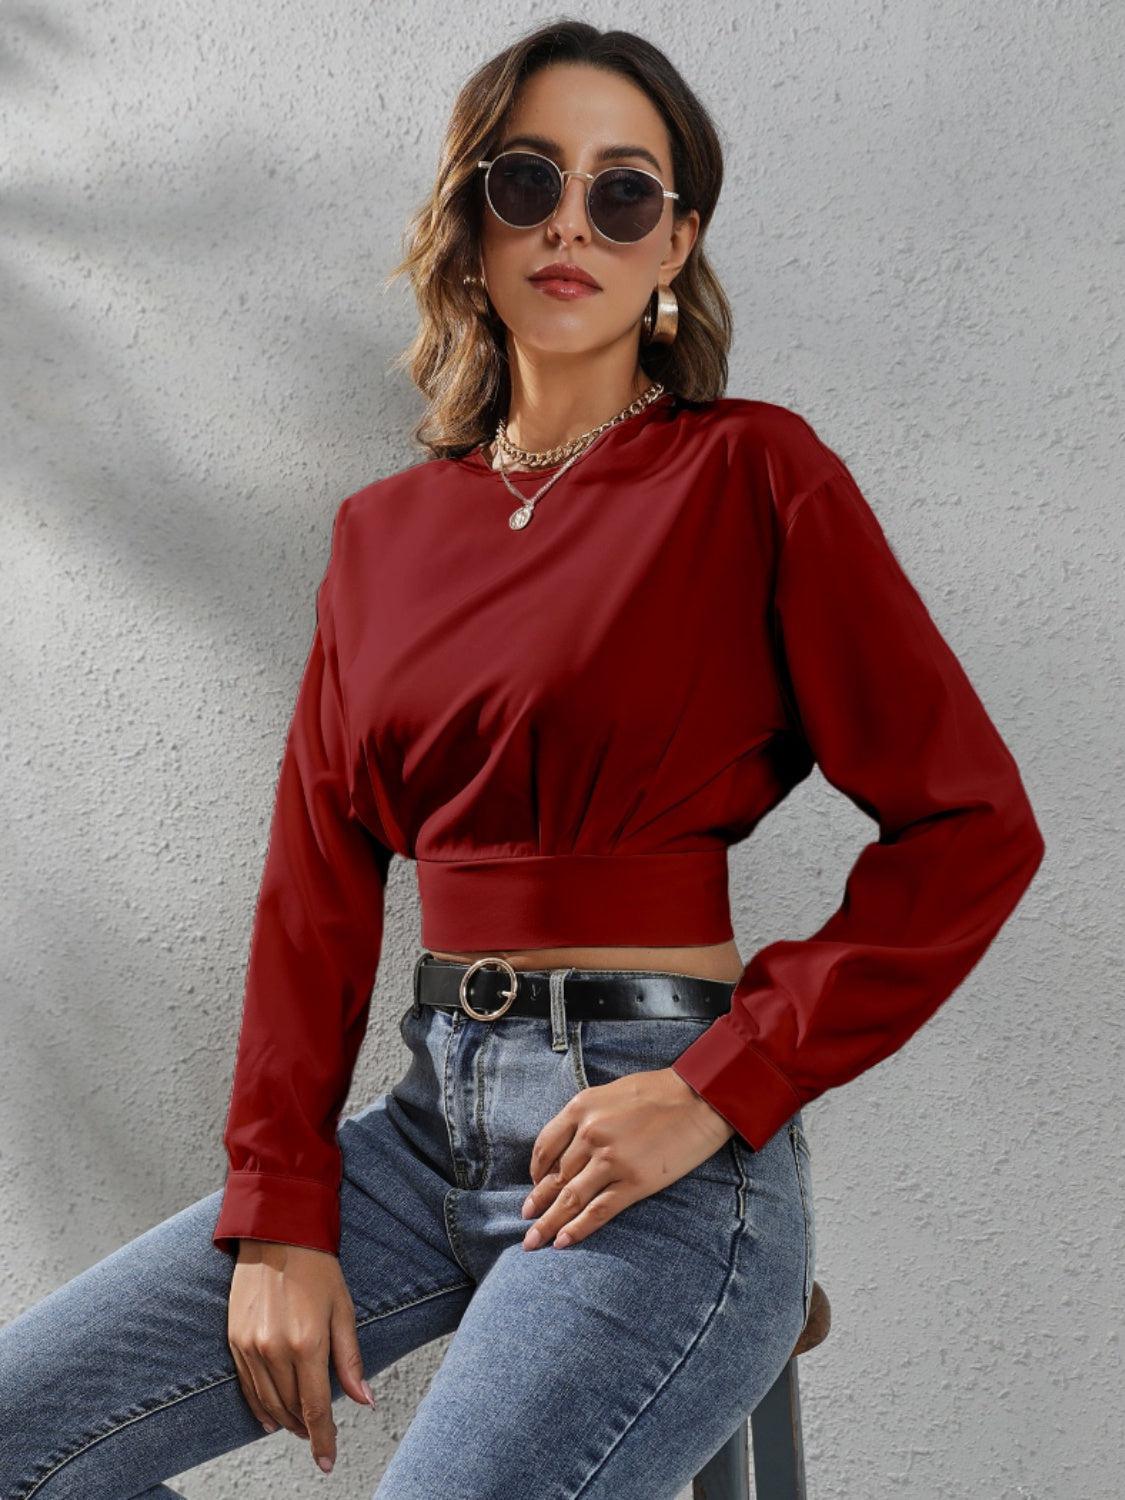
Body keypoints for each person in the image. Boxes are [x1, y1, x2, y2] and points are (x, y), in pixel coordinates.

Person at [0, 19, 1045, 1500]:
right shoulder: (383, 534)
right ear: (472, 224)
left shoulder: (751, 476)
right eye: (527, 179)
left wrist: (719, 1081)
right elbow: (316, 890)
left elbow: (970, 825)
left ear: (674, 241)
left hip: (664, 1147)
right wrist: (281, 1208)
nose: (572, 218)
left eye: (624, 192)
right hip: (428, 1131)